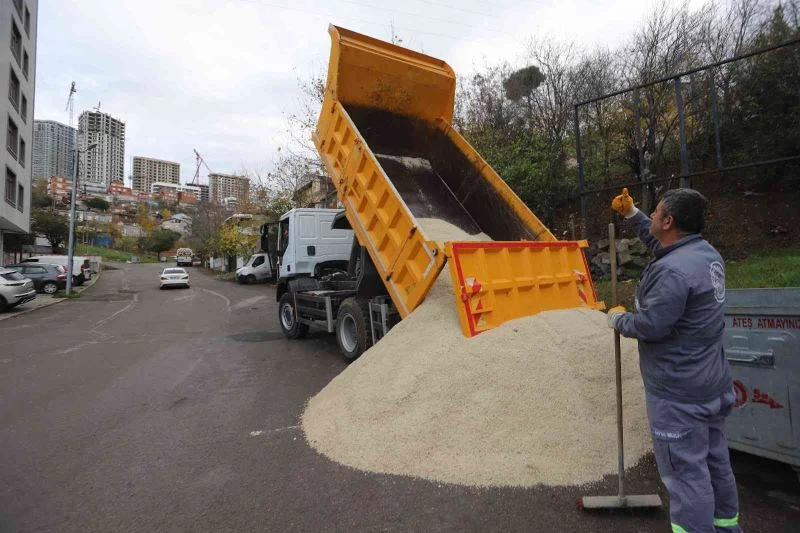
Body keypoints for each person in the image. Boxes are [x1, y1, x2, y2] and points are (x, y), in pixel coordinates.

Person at [608, 187, 742, 533]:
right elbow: (662, 245)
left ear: (668, 221)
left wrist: (619, 319)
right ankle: (727, 526)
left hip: (679, 394)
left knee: (686, 474)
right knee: (715, 462)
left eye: (655, 211)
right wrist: (632, 213)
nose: (651, 215)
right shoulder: (704, 254)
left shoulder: (672, 273)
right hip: (711, 383)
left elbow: (651, 326)